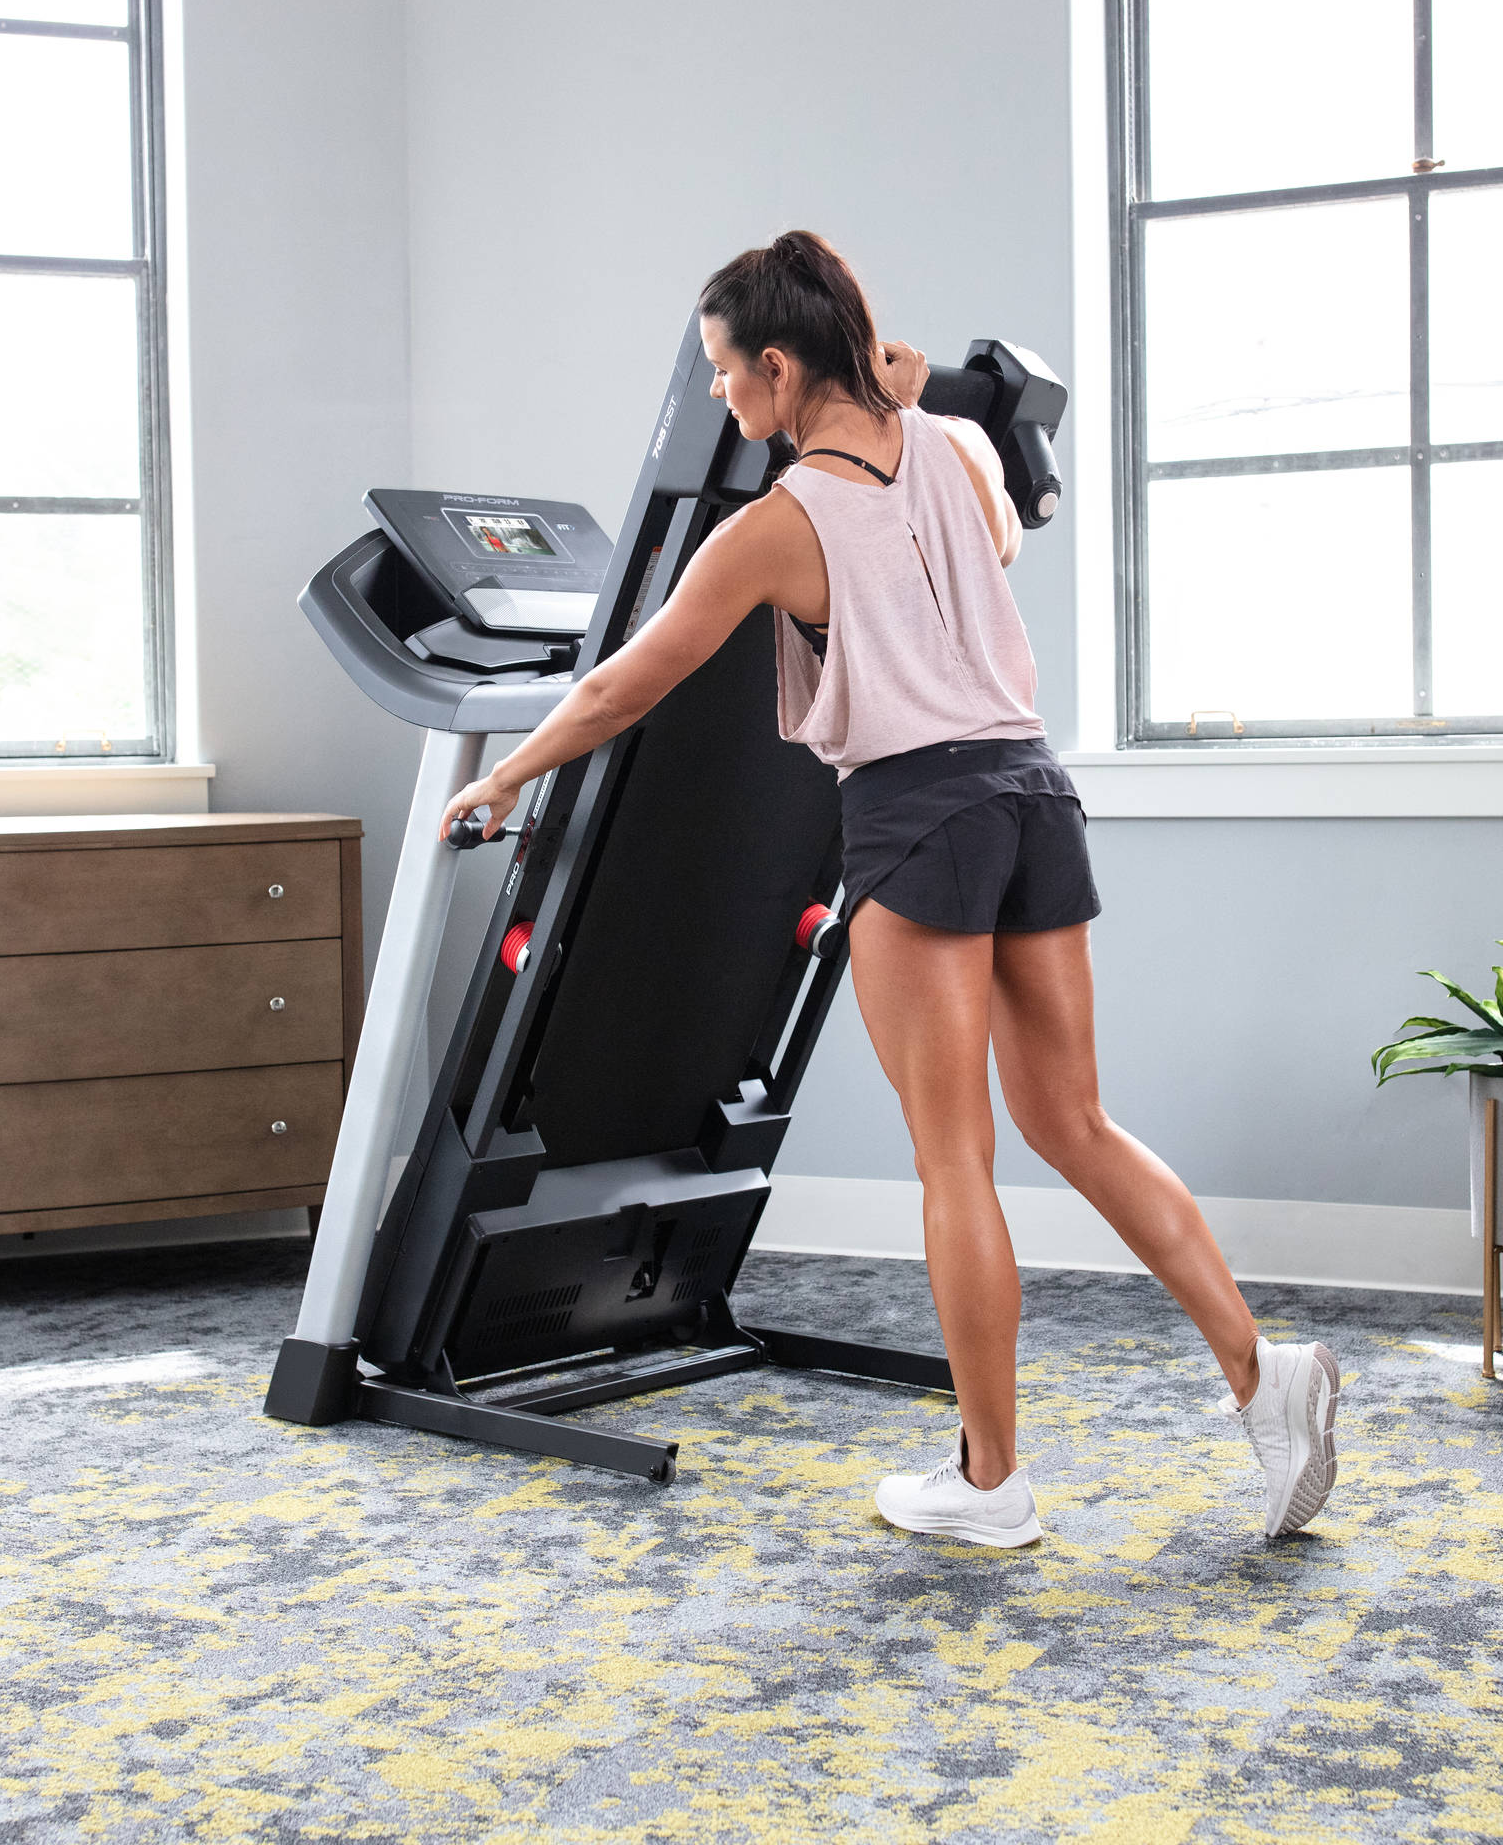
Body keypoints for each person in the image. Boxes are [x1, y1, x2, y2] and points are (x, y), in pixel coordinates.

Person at [442, 230, 1341, 1547]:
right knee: (1077, 1122)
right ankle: (1266, 1377)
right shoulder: (948, 448)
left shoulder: (776, 524)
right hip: (1033, 791)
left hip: (921, 814)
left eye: (727, 374)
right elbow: (997, 554)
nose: (719, 400)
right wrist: (918, 410)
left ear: (782, 365)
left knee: (954, 1159)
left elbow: (623, 685)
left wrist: (504, 778)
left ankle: (990, 1486)